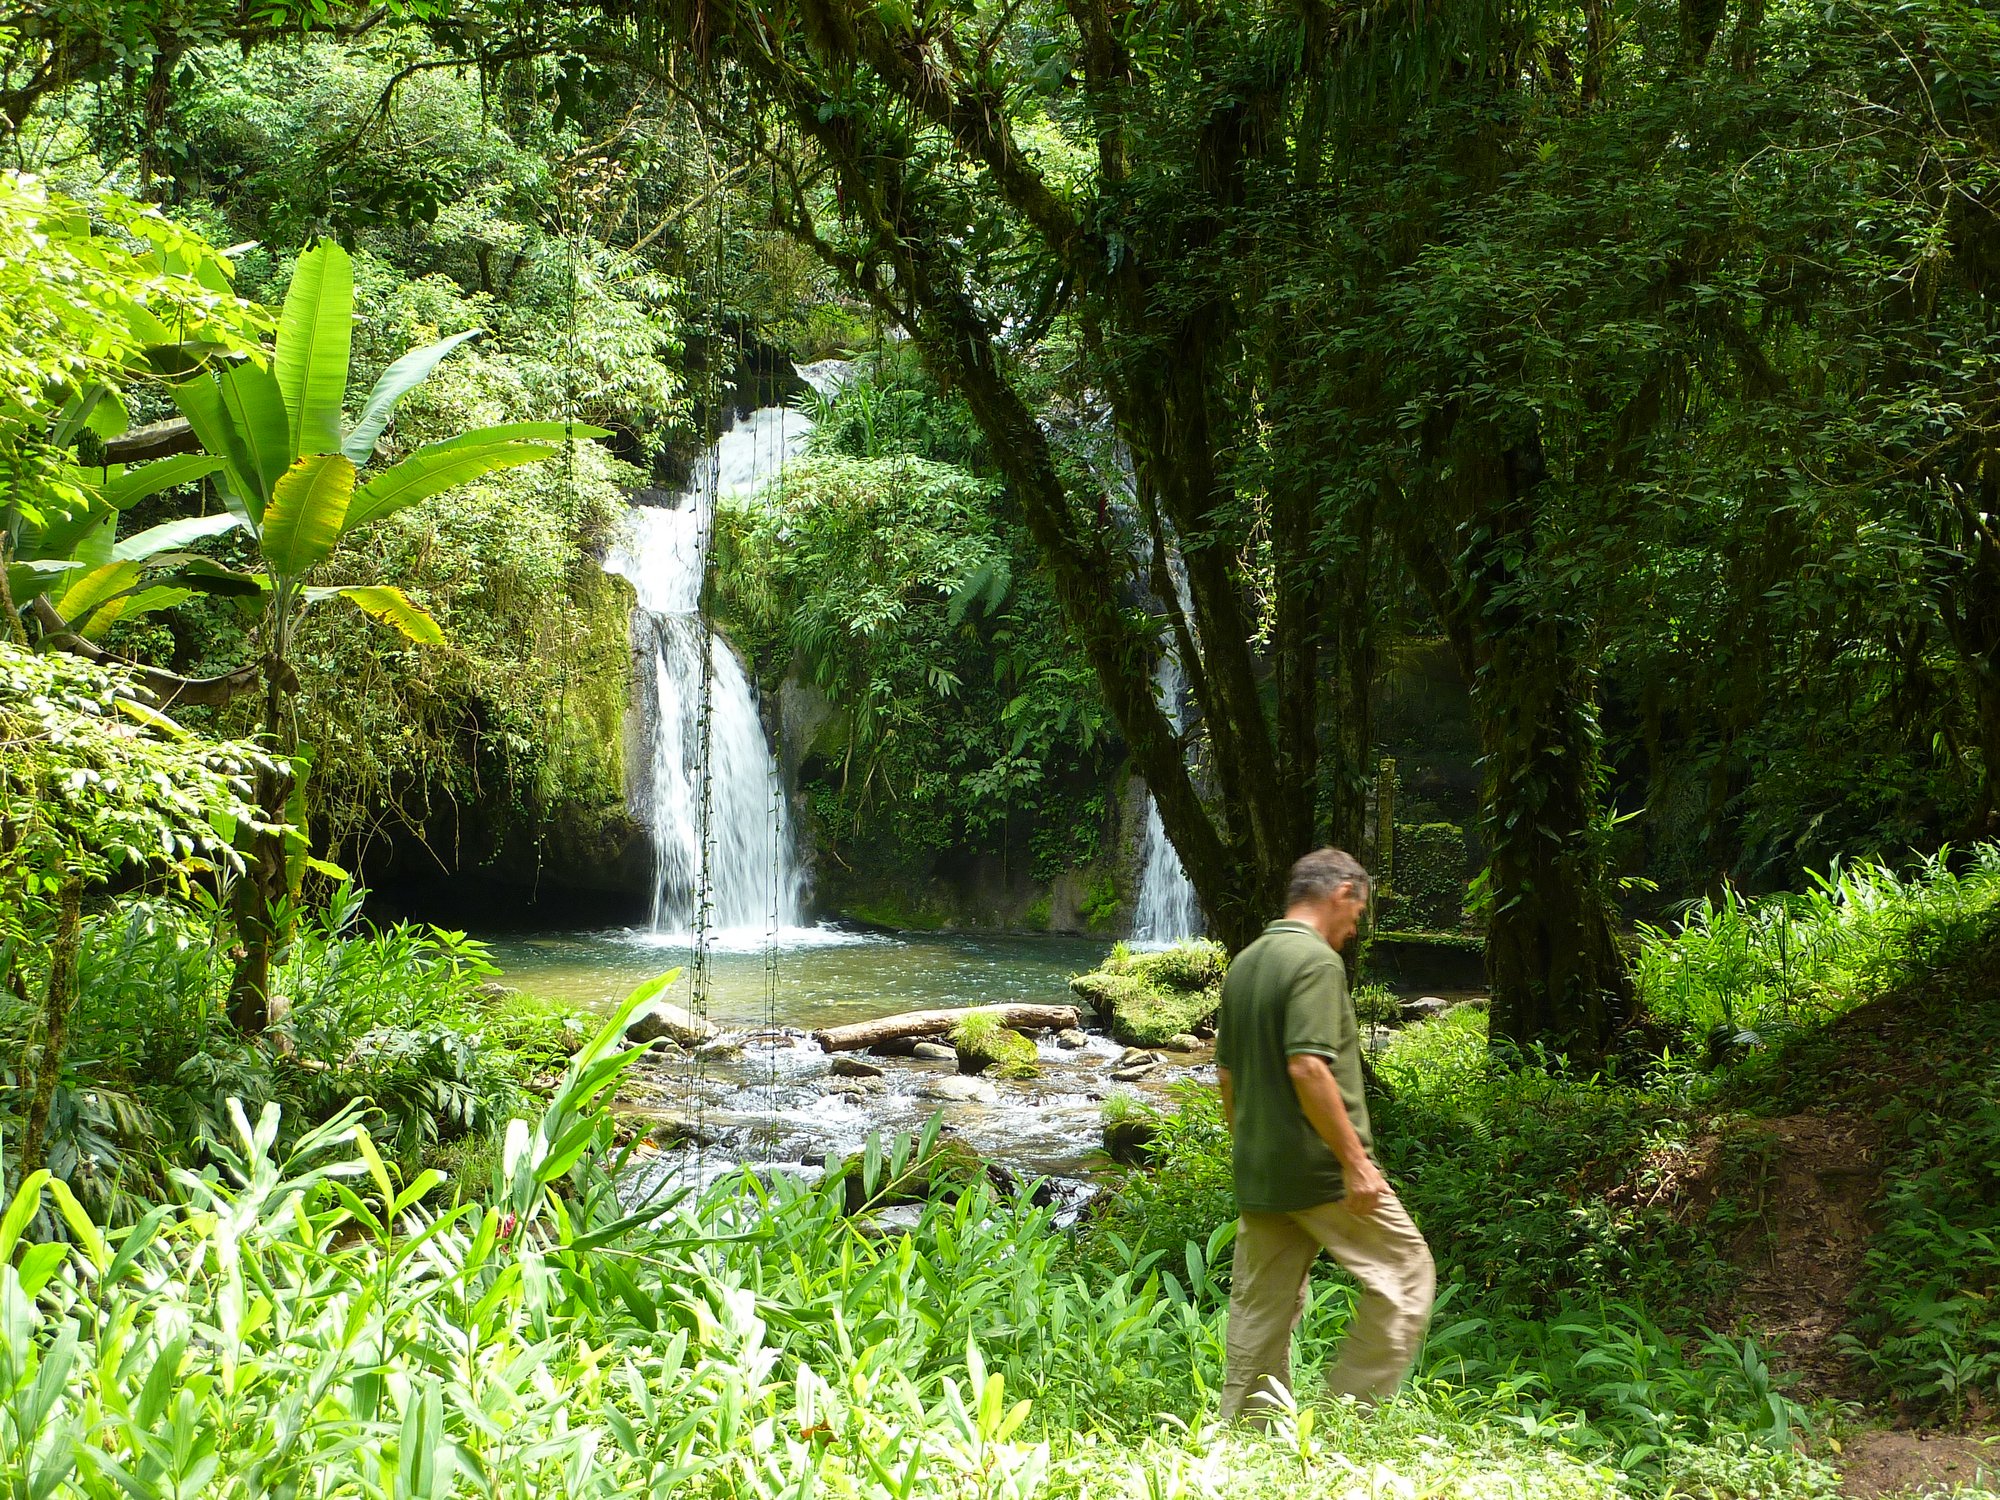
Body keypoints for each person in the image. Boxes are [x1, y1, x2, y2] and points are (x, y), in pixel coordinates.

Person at [1214, 847, 1436, 1423]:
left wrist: (1248, 1148)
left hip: (1261, 1171)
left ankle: (1247, 1429)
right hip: (1321, 1170)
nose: (1352, 932)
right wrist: (1357, 1163)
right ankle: (1348, 1415)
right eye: (1357, 917)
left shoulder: (1247, 961)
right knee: (1406, 1273)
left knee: (1261, 1308)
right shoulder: (1314, 962)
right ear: (1342, 894)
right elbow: (1308, 1066)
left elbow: (1227, 1075)